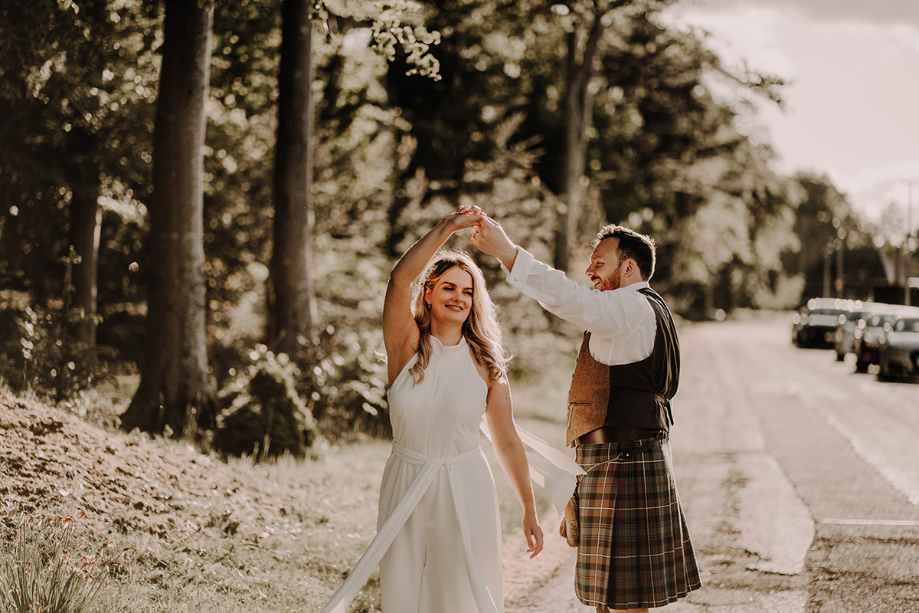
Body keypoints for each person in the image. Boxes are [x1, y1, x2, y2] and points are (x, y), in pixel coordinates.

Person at [319, 206, 583, 613]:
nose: (458, 297)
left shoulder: (487, 366)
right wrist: (447, 227)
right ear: (429, 292)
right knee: (404, 592)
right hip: (405, 477)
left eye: (467, 290)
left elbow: (507, 442)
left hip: (465, 484)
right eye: (448, 287)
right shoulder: (405, 346)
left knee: (458, 595)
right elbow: (398, 279)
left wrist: (529, 509)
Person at [471, 218, 701, 613]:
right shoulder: (642, 308)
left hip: (622, 461)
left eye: (599, 262)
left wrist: (508, 253)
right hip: (616, 460)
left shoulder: (631, 305)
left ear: (628, 268)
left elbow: (570, 299)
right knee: (612, 599)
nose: (589, 270)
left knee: (625, 601)